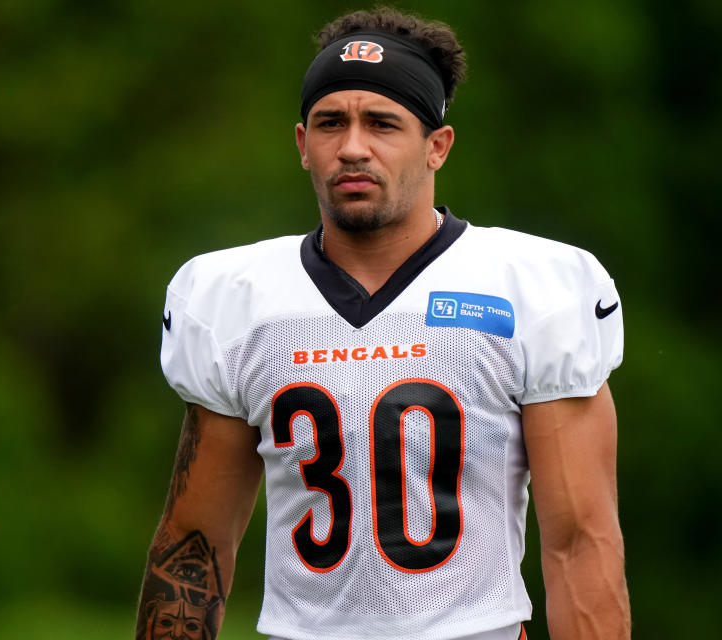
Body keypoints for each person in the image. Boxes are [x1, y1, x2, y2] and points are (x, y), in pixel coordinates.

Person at [136, 8, 630, 640]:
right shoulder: (239, 299)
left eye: (383, 124)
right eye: (330, 123)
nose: (352, 148)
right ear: (301, 144)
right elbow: (194, 547)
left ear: (437, 146)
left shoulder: (531, 288)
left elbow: (580, 543)